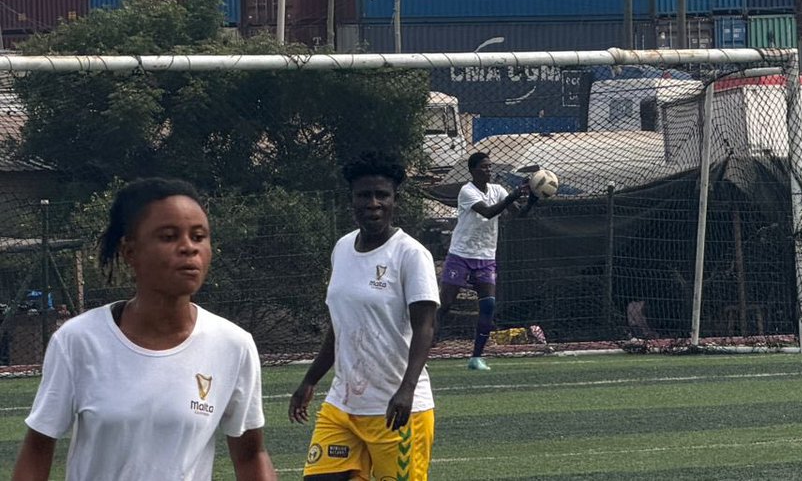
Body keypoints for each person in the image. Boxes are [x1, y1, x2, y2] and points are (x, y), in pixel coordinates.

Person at [11, 177, 276, 481]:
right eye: (168, 236)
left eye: (199, 236)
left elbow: (251, 455)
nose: (189, 248)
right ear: (130, 251)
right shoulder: (78, 341)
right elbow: (37, 449)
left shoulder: (233, 345)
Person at [290, 153, 439, 481]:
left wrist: (406, 390)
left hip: (396, 411)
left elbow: (425, 328)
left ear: (394, 200)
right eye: (364, 195)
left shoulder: (411, 255)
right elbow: (340, 325)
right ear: (351, 200)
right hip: (342, 406)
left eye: (382, 195)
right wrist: (310, 380)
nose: (373, 203)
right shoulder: (342, 248)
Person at [436, 151, 527, 371]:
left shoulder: (498, 190)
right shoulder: (467, 191)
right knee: (445, 304)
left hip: (485, 256)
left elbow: (517, 215)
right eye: (484, 167)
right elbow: (487, 212)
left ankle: (476, 357)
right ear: (473, 170)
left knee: (488, 304)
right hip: (461, 254)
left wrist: (531, 198)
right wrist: (513, 196)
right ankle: (424, 348)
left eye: (490, 166)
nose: (488, 170)